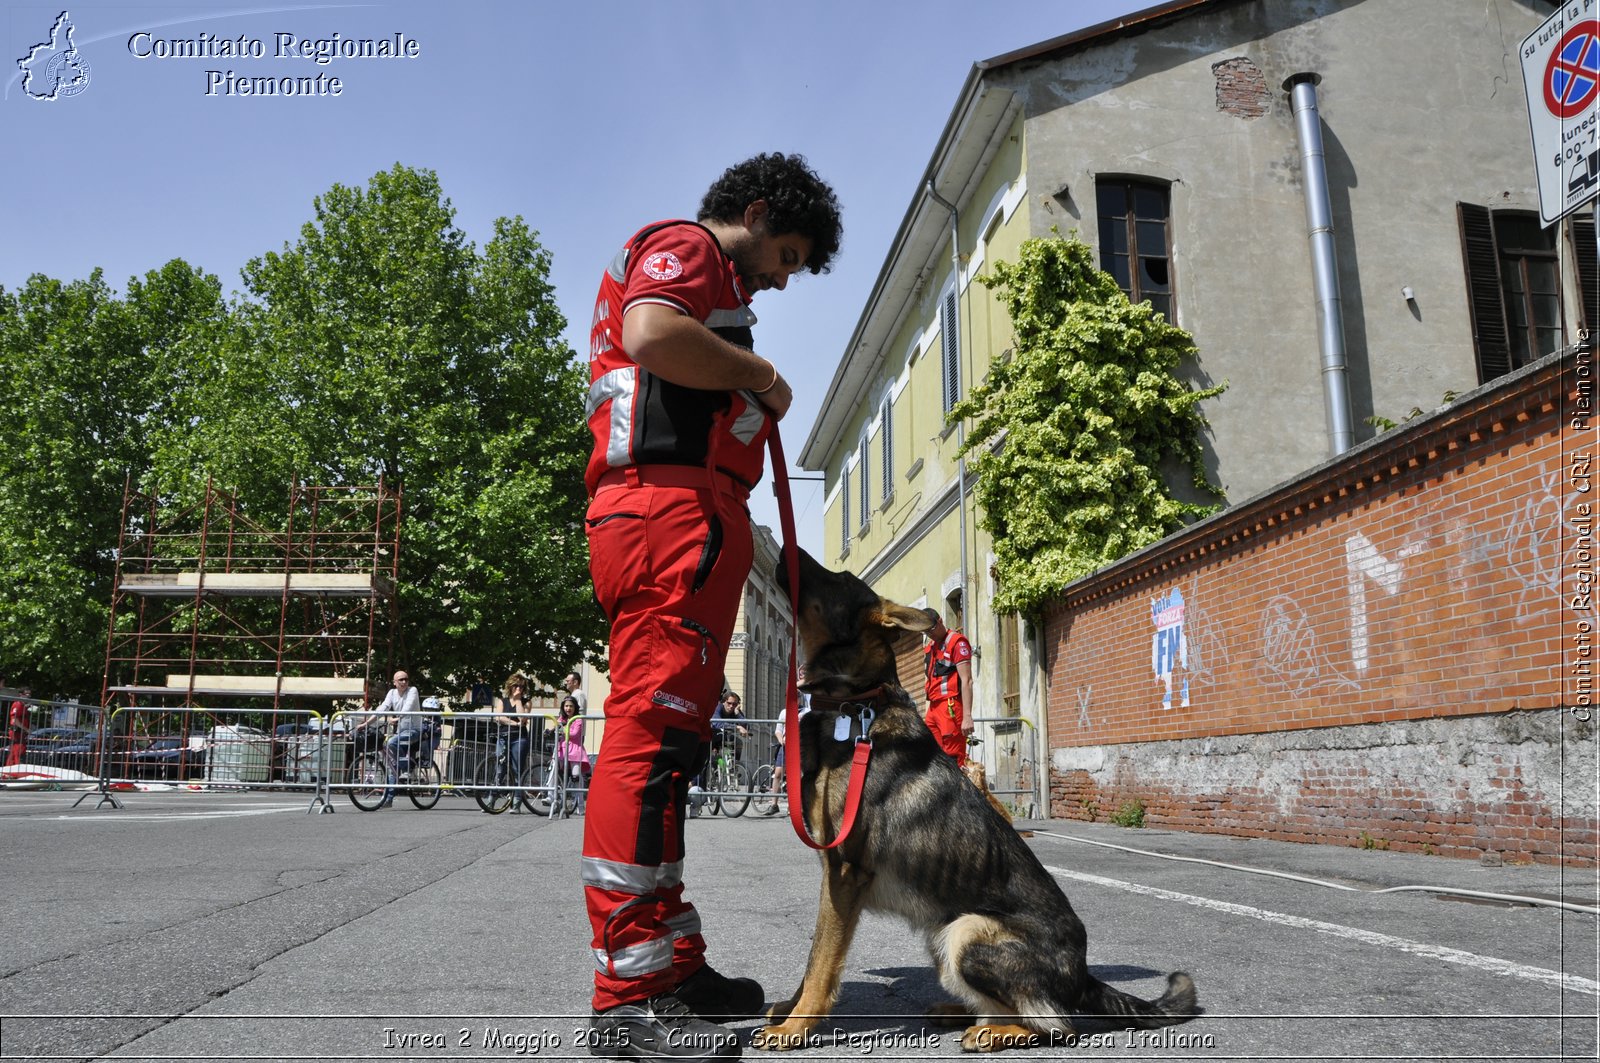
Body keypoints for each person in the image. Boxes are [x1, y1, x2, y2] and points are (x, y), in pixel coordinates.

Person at [580, 152, 842, 1061]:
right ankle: (626, 995)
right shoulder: (689, 247)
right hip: (665, 514)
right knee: (650, 739)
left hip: (690, 516)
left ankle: (668, 959)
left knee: (675, 749)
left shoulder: (713, 280)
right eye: (788, 253)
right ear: (758, 213)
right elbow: (652, 333)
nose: (781, 277)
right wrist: (762, 375)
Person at [362, 670, 423, 809]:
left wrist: (397, 718)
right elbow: (383, 707)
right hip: (401, 731)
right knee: (392, 766)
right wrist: (366, 723)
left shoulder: (412, 690)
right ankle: (388, 799)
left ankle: (406, 767)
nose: (404, 682)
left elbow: (407, 708)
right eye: (400, 680)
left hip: (414, 730)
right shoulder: (391, 693)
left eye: (406, 679)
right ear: (395, 682)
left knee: (391, 743)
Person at [922, 608, 974, 767]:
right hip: (934, 708)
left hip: (950, 707)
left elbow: (967, 680)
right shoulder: (930, 647)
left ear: (940, 621)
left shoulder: (957, 643)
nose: (929, 634)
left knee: (953, 757)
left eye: (931, 629)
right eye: (925, 632)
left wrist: (967, 716)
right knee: (934, 757)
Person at [555, 695, 591, 812]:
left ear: (575, 708)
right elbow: (555, 729)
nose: (568, 708)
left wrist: (563, 728)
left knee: (576, 778)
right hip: (562, 749)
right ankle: (552, 798)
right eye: (566, 706)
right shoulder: (561, 719)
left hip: (575, 751)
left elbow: (574, 734)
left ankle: (580, 806)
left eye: (571, 706)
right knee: (554, 773)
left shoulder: (578, 719)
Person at [6, 687, 32, 768]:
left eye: (29, 694)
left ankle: (9, 771)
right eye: (26, 694)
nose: (28, 696)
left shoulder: (23, 705)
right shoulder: (18, 704)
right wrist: (26, 729)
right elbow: (15, 720)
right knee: (18, 752)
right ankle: (17, 770)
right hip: (17, 732)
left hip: (20, 733)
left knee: (14, 753)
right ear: (21, 695)